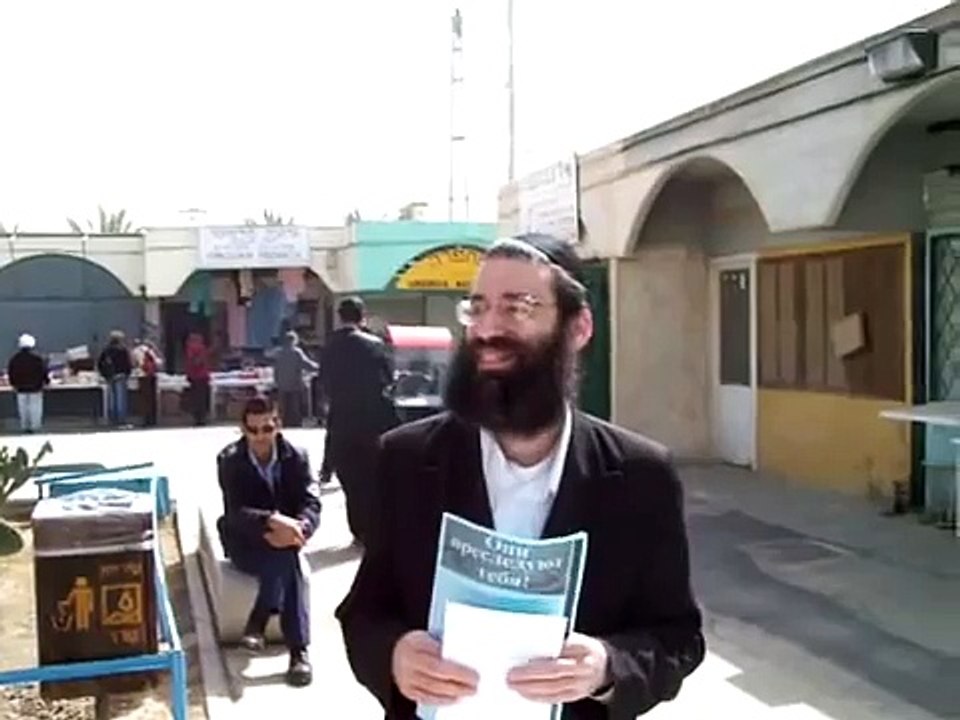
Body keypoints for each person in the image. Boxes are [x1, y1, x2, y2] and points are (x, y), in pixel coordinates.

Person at [336, 234, 705, 720]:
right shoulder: (407, 460)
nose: (488, 330)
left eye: (517, 307)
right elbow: (364, 613)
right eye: (479, 307)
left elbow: (677, 637)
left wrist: (607, 668)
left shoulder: (640, 475)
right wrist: (395, 655)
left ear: (577, 327)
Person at [215, 395, 320, 687]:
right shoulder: (230, 459)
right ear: (243, 429)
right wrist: (272, 521)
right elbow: (236, 511)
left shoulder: (295, 456)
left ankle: (265, 628)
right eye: (253, 430)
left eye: (267, 429)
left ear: (278, 426)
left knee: (287, 558)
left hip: (287, 537)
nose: (260, 437)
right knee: (287, 560)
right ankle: (295, 648)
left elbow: (311, 501)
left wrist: (302, 527)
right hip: (246, 540)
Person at [318, 297, 399, 544]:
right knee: (373, 476)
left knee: (351, 479)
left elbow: (324, 381)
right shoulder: (375, 345)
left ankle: (358, 529)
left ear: (340, 317)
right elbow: (388, 378)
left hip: (341, 419)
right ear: (362, 316)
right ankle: (373, 528)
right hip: (372, 420)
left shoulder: (329, 346)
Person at [273, 331, 318, 428]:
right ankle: (295, 424)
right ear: (294, 340)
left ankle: (283, 423)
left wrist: (276, 380)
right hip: (294, 384)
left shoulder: (279, 352)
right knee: (295, 406)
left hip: (282, 384)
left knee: (283, 406)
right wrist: (319, 367)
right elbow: (307, 364)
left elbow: (275, 369)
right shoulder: (297, 352)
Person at [7, 333, 49, 433]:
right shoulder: (37, 359)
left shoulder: (14, 359)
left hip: (20, 388)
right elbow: (43, 372)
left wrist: (13, 384)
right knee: (35, 408)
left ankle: (24, 427)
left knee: (23, 408)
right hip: (36, 388)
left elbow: (11, 373)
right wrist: (46, 381)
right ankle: (35, 427)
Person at [97, 330, 133, 427]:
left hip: (110, 376)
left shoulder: (106, 350)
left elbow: (100, 363)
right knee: (121, 399)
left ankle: (112, 419)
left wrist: (105, 375)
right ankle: (121, 420)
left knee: (111, 398)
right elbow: (128, 364)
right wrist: (127, 373)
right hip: (121, 376)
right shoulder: (123, 350)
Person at [132, 338, 163, 427]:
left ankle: (145, 419)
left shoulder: (136, 351)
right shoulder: (150, 351)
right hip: (152, 376)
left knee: (144, 399)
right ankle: (153, 419)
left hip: (142, 376)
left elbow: (134, 363)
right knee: (152, 398)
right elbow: (158, 362)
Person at [184, 333, 211, 426]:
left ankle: (198, 418)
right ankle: (201, 418)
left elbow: (193, 361)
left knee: (195, 398)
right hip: (202, 376)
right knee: (201, 398)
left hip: (195, 376)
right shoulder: (202, 347)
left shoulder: (191, 348)